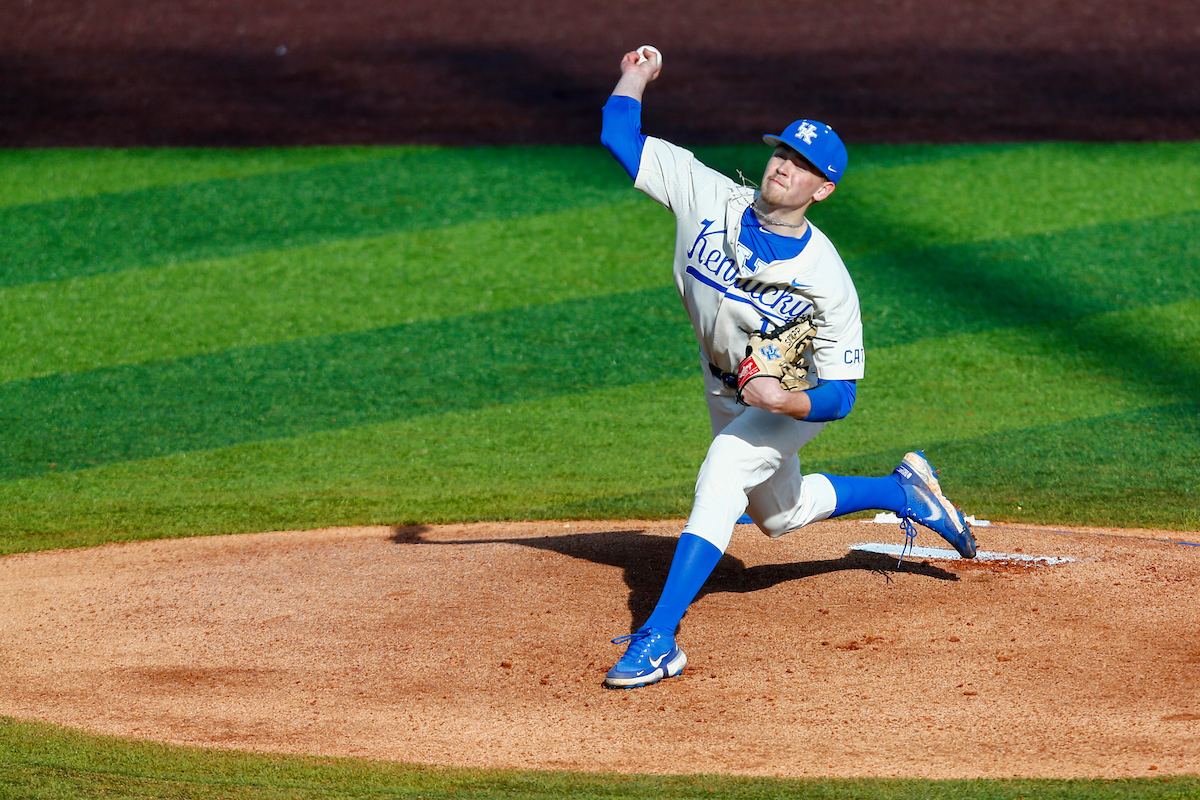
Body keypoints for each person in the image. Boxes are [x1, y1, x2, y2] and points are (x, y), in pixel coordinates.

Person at [598, 47, 977, 690]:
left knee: (723, 472)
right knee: (779, 516)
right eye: (781, 152)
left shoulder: (828, 282)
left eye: (802, 166)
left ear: (821, 190)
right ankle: (903, 491)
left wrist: (781, 400)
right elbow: (617, 133)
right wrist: (638, 73)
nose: (784, 166)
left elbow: (841, 396)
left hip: (788, 392)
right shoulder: (708, 197)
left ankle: (659, 637)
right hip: (727, 383)